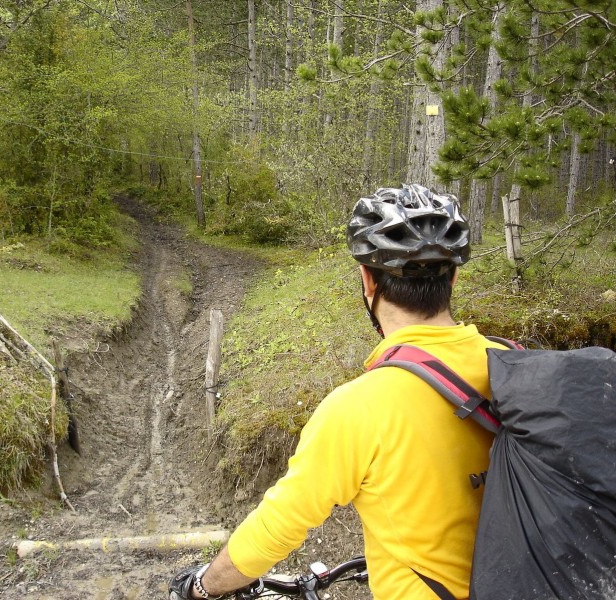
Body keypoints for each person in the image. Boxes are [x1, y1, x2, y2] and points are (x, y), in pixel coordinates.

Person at [170, 183, 507, 600]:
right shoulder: (517, 364)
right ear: (454, 276)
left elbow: (278, 526)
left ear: (368, 279)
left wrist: (202, 587)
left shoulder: (360, 408)